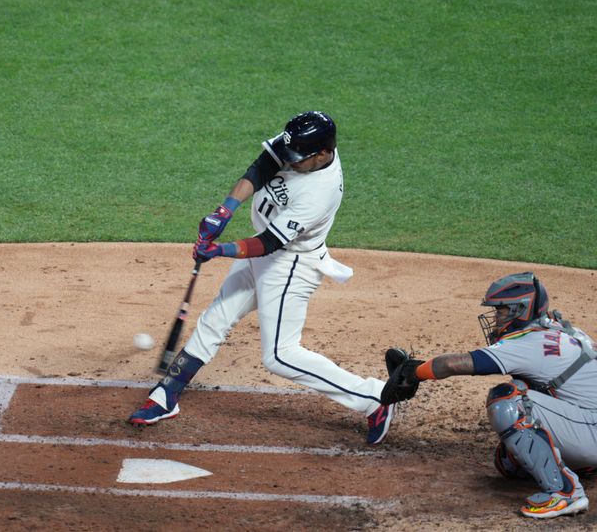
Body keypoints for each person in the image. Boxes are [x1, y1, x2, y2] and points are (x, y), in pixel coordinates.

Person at [127, 110, 395, 445]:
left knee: (281, 355)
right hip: (262, 254)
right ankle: (167, 394)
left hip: (290, 266)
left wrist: (219, 250)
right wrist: (224, 210)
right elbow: (262, 166)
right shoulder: (303, 145)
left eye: (298, 158)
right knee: (217, 317)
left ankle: (373, 398)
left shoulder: (320, 192)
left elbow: (268, 243)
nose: (291, 161)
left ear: (323, 155)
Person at [381, 271, 596, 519]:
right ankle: (581, 463)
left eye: (501, 311)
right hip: (588, 423)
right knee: (509, 461)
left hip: (591, 431)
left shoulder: (528, 343)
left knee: (507, 401)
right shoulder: (558, 329)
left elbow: (452, 364)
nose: (496, 318)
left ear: (520, 310)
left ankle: (566, 493)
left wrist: (412, 372)